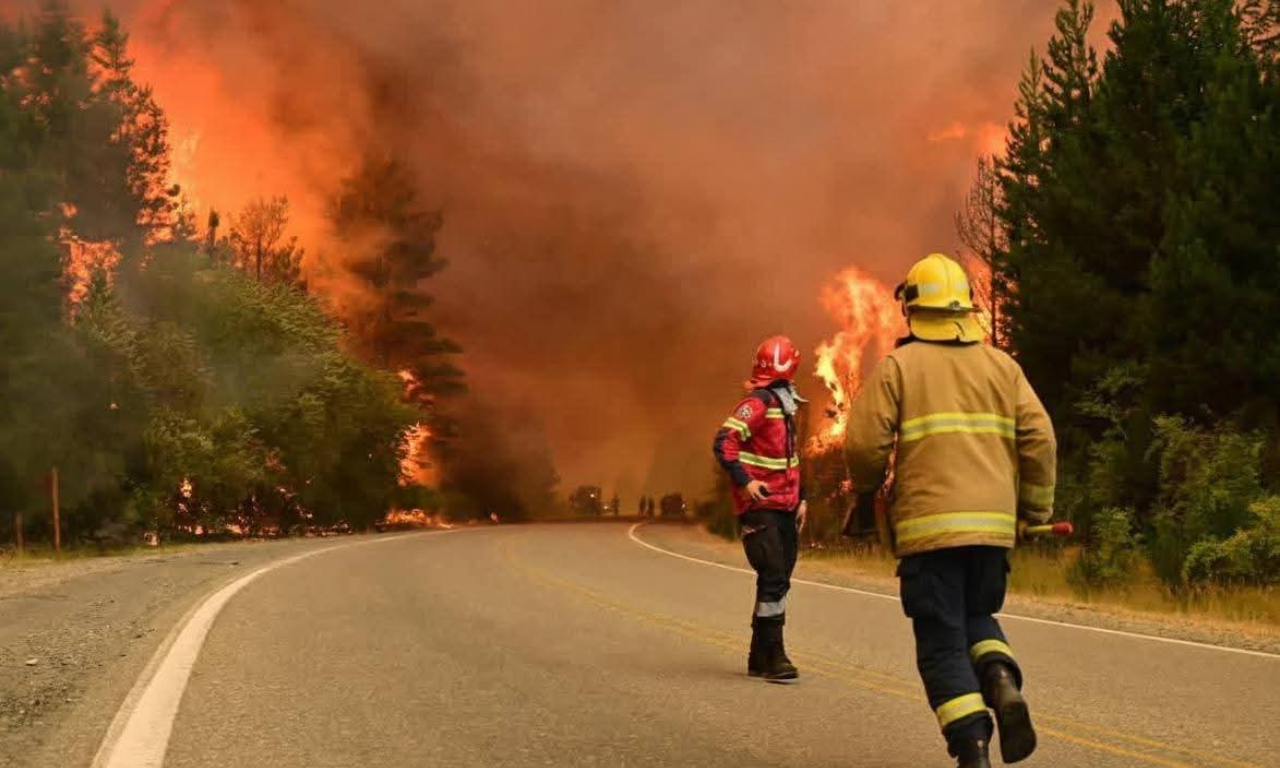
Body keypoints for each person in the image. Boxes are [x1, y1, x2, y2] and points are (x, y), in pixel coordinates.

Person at [844, 254, 1056, 767]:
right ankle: (1002, 679)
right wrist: (1033, 510)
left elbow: (864, 444)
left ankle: (972, 749)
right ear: (964, 306)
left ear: (913, 308)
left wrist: (866, 492)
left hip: (929, 534)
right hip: (992, 533)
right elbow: (1040, 439)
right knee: (977, 615)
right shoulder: (1002, 366)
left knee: (941, 641)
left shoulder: (900, 367)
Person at [712, 335, 808, 682]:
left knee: (778, 582)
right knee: (773, 577)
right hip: (761, 506)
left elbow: (792, 458)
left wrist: (803, 497)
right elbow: (724, 441)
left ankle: (758, 656)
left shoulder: (785, 404)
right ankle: (776, 656)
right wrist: (746, 482)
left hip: (784, 505)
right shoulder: (758, 402)